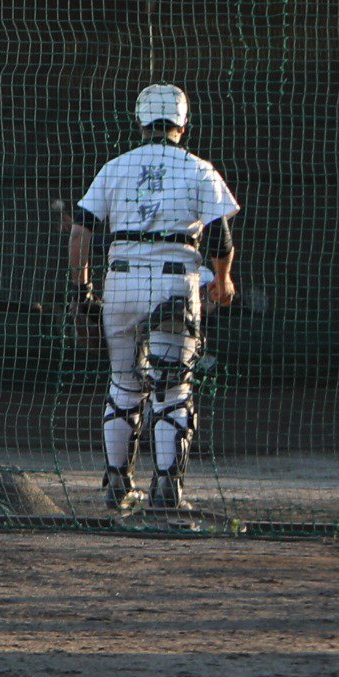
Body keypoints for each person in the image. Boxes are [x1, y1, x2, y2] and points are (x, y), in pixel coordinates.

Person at [68, 83, 239, 516]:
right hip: (173, 283)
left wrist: (82, 289)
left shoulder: (115, 166)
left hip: (121, 282)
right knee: (172, 388)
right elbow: (219, 236)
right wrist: (223, 279)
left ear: (141, 122)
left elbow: (80, 231)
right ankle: (167, 489)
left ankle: (116, 483)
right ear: (183, 122)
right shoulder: (199, 169)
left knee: (124, 383)